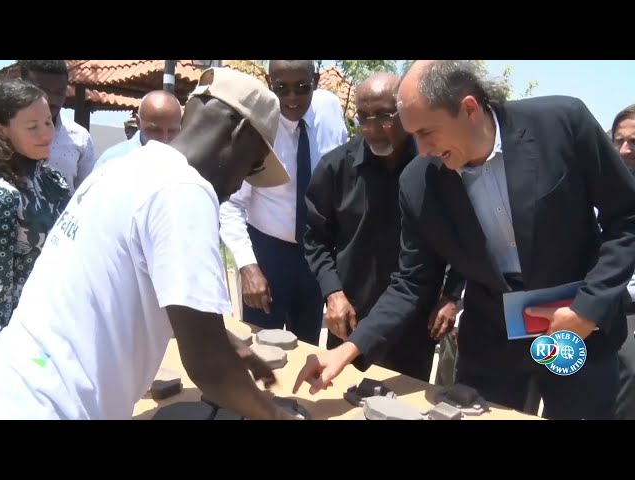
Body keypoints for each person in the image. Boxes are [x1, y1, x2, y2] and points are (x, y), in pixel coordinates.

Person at [293, 60, 635, 420]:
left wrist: (588, 308)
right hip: (493, 348)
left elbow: (626, 218)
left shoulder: (562, 124)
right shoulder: (419, 183)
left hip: (576, 331)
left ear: (469, 108)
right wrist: (347, 351)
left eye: (427, 133)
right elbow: (411, 283)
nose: (421, 149)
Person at [0, 67, 301, 420]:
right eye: (253, 165)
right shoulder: (184, 190)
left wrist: (235, 349)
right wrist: (278, 417)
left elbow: (146, 289)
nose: (240, 185)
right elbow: (209, 367)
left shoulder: (126, 168)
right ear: (238, 132)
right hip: (50, 407)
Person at [304, 72, 463, 381]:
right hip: (350, 317)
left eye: (384, 116)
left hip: (415, 321)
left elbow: (462, 237)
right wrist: (333, 293)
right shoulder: (335, 168)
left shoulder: (438, 169)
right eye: (363, 118)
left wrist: (451, 296)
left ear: (406, 112)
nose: (373, 129)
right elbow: (315, 239)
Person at [219, 60, 348, 345]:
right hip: (266, 256)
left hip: (314, 253)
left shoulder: (330, 111)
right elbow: (230, 205)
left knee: (306, 348)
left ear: (315, 79)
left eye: (302, 88)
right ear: (268, 81)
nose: (291, 98)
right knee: (262, 350)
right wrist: (247, 266)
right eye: (281, 88)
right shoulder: (253, 125)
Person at [0, 78, 71, 338]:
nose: (47, 134)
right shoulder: (2, 196)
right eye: (33, 127)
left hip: (57, 326)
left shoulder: (56, 183)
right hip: (18, 338)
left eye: (48, 122)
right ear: (1, 130)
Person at [19, 60, 95, 194]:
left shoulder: (80, 137)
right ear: (23, 86)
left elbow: (85, 197)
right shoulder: (3, 133)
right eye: (42, 91)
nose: (52, 100)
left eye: (59, 92)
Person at [610, 104, 635, 420]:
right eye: (619, 141)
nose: (625, 150)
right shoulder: (593, 192)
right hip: (580, 305)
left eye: (634, 143)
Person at [94, 90, 183, 171]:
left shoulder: (185, 162)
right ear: (138, 123)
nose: (164, 139)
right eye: (155, 130)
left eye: (172, 131)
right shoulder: (111, 161)